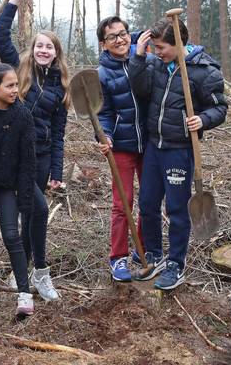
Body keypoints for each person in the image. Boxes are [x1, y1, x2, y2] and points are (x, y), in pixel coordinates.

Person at [127, 16, 228, 291]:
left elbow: (220, 108)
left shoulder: (204, 71)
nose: (157, 52)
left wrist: (203, 120)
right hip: (154, 146)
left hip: (179, 151)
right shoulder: (156, 65)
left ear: (179, 42)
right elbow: (140, 88)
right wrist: (138, 56)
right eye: (155, 47)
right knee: (147, 204)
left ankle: (176, 264)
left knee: (176, 209)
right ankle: (154, 256)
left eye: (161, 47)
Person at [0, 0, 67, 301]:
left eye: (49, 47)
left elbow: (61, 131)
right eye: (39, 45)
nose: (43, 50)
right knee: (34, 211)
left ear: (55, 53)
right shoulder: (17, 70)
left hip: (44, 155)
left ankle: (27, 272)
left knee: (33, 214)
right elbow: (0, 35)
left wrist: (58, 172)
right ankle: (35, 271)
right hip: (18, 155)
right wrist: (14, 0)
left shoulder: (61, 86)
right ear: (33, 49)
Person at [0, 63, 37, 317]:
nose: (15, 90)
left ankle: (24, 293)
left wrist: (24, 201)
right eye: (9, 85)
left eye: (16, 85)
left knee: (12, 235)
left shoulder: (22, 116)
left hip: (5, 186)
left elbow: (28, 163)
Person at [94, 16, 149, 282]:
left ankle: (143, 249)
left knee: (148, 201)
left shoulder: (145, 58)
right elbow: (103, 113)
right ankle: (118, 258)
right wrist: (105, 135)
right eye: (113, 37)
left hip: (150, 144)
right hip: (122, 147)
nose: (120, 40)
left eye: (123, 33)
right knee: (122, 202)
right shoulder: (102, 74)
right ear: (103, 44)